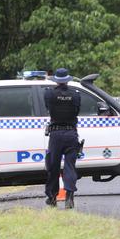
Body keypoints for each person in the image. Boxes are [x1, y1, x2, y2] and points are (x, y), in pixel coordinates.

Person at [44, 68, 81, 209]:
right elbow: (76, 111)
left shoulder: (49, 94)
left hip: (56, 135)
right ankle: (69, 197)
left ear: (56, 80)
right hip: (71, 134)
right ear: (68, 80)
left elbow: (49, 108)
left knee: (53, 167)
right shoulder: (76, 95)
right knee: (70, 166)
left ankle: (52, 198)